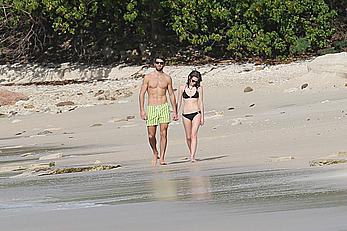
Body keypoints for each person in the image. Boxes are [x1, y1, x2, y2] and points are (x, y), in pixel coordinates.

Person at [139, 57, 178, 166]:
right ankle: (155, 152)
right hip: (151, 107)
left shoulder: (167, 78)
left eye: (161, 63)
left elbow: (171, 94)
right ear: (154, 64)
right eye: (157, 62)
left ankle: (162, 157)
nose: (159, 64)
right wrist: (142, 110)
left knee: (163, 133)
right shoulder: (148, 77)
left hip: (164, 107)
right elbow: (142, 93)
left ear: (164, 64)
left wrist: (175, 111)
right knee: (151, 135)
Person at [177, 70, 204, 162]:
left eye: (196, 81)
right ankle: (191, 151)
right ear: (189, 78)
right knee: (188, 137)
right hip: (185, 114)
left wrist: (202, 116)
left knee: (193, 135)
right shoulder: (182, 88)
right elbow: (179, 101)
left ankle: (192, 156)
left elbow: (200, 102)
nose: (194, 83)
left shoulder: (199, 89)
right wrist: (175, 112)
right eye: (193, 81)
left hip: (196, 113)